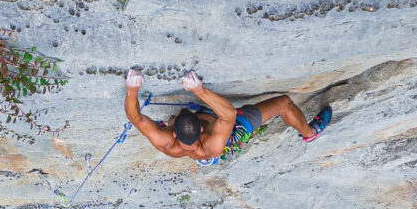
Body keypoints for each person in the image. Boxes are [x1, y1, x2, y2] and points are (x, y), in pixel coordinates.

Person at [124, 69, 332, 164]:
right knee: (284, 103)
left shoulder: (165, 140)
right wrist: (198, 90)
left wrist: (132, 89)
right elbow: (230, 116)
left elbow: (137, 119)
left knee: (155, 126)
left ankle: (309, 132)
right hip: (229, 135)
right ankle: (309, 132)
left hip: (204, 134)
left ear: (174, 133)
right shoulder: (212, 145)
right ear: (202, 128)